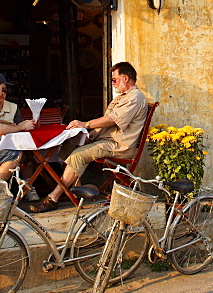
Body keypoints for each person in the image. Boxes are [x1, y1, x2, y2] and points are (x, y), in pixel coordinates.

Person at [29, 62, 148, 213]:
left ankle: (53, 197)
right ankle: (74, 189)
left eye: (114, 80)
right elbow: (109, 123)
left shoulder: (135, 97)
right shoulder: (122, 97)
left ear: (125, 78)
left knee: (79, 155)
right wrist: (88, 134)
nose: (112, 83)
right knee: (69, 145)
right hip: (108, 141)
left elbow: (112, 120)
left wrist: (85, 125)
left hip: (119, 146)